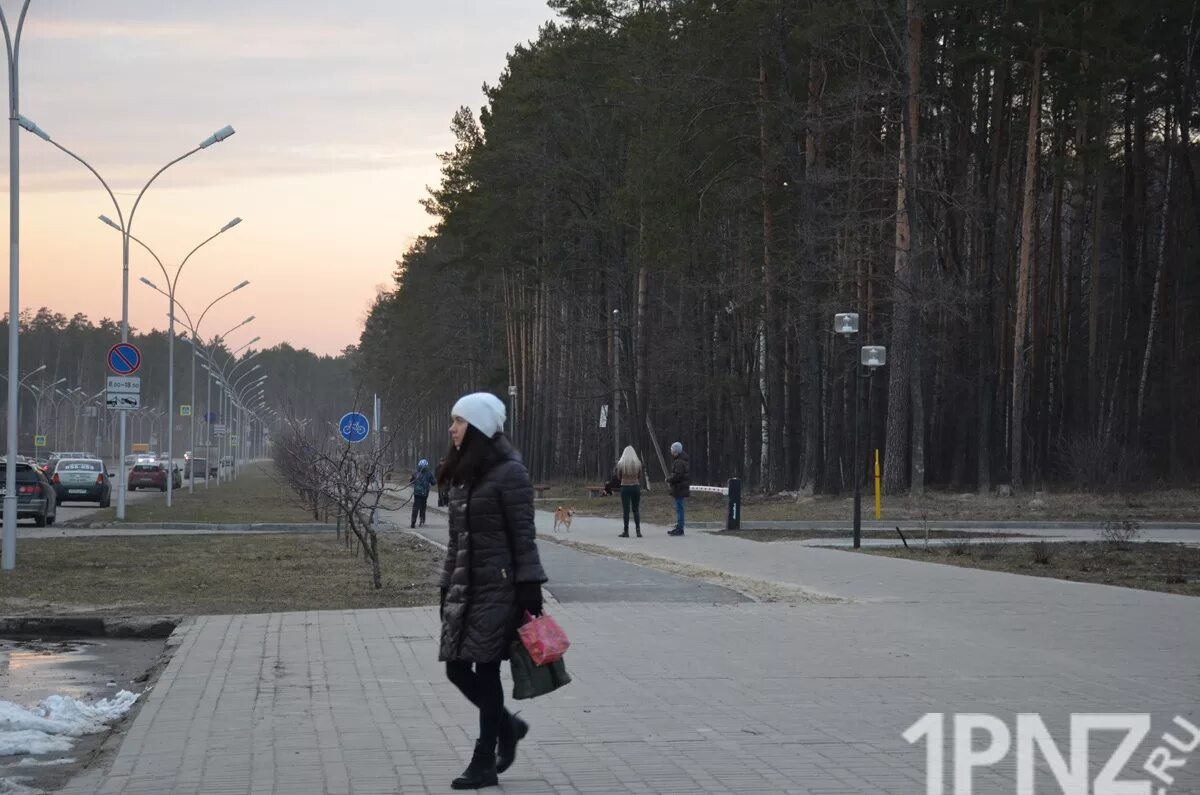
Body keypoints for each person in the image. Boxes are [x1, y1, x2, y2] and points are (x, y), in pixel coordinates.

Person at [438, 392, 548, 790]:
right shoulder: (465, 472)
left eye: (460, 421)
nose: (452, 428)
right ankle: (509, 726)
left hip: (501, 589)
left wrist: (530, 593)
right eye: (453, 421)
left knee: (485, 670)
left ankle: (484, 760)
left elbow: (524, 538)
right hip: (466, 589)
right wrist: (445, 587)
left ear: (480, 427)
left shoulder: (510, 473)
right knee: (455, 668)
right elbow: (456, 543)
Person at [614, 445, 643, 538]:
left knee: (626, 510)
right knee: (636, 509)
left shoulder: (621, 463)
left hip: (625, 487)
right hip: (635, 487)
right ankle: (638, 531)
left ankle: (626, 531)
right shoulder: (638, 463)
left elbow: (619, 477)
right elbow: (639, 476)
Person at [666, 441, 690, 536]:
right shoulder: (682, 460)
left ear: (676, 451)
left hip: (679, 488)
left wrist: (668, 479)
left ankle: (680, 528)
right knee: (679, 507)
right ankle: (679, 526)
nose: (671, 452)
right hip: (680, 487)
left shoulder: (679, 462)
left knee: (679, 508)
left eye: (672, 450)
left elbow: (677, 476)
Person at [409, 458, 435, 528]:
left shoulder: (415, 473)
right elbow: (433, 483)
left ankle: (413, 521)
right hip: (425, 493)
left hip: (417, 493)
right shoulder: (429, 473)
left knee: (415, 506)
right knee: (423, 506)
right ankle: (422, 519)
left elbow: (411, 481)